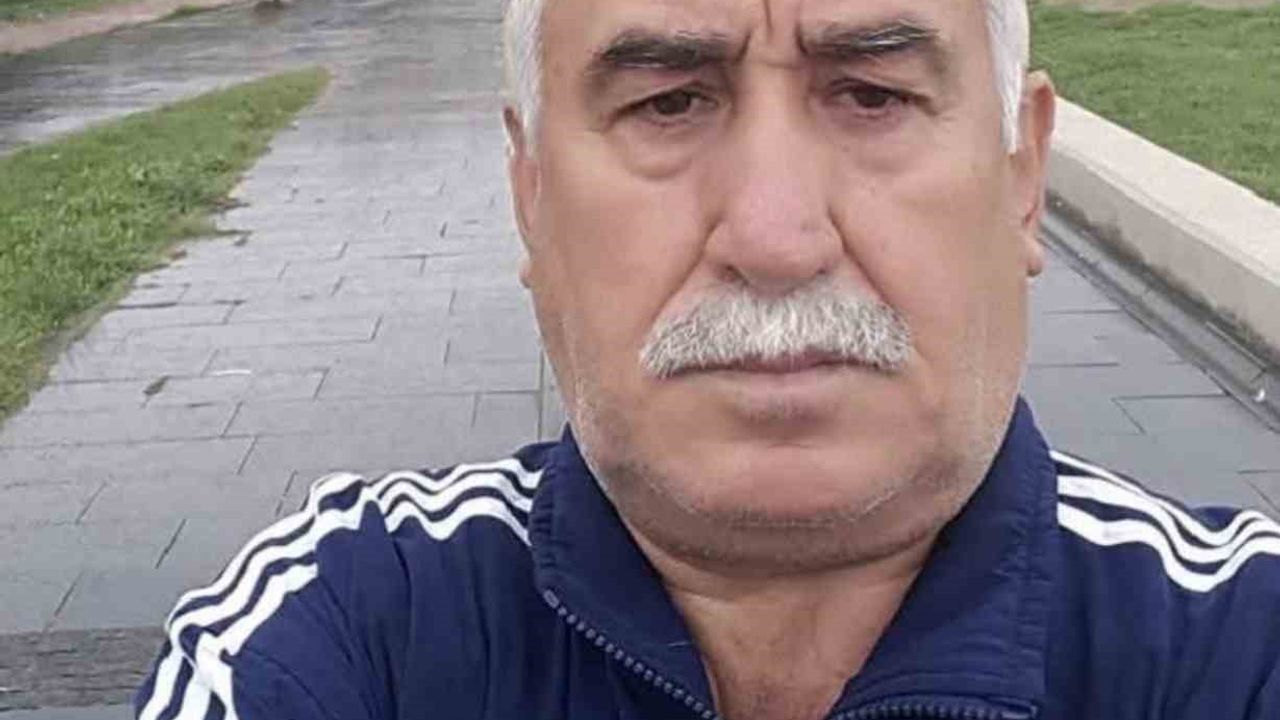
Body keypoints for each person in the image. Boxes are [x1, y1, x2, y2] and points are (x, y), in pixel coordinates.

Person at [134, 0, 1280, 718]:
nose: (775, 239)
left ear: (1021, 176)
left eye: (872, 95)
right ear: (530, 195)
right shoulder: (343, 631)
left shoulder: (1238, 645)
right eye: (667, 101)